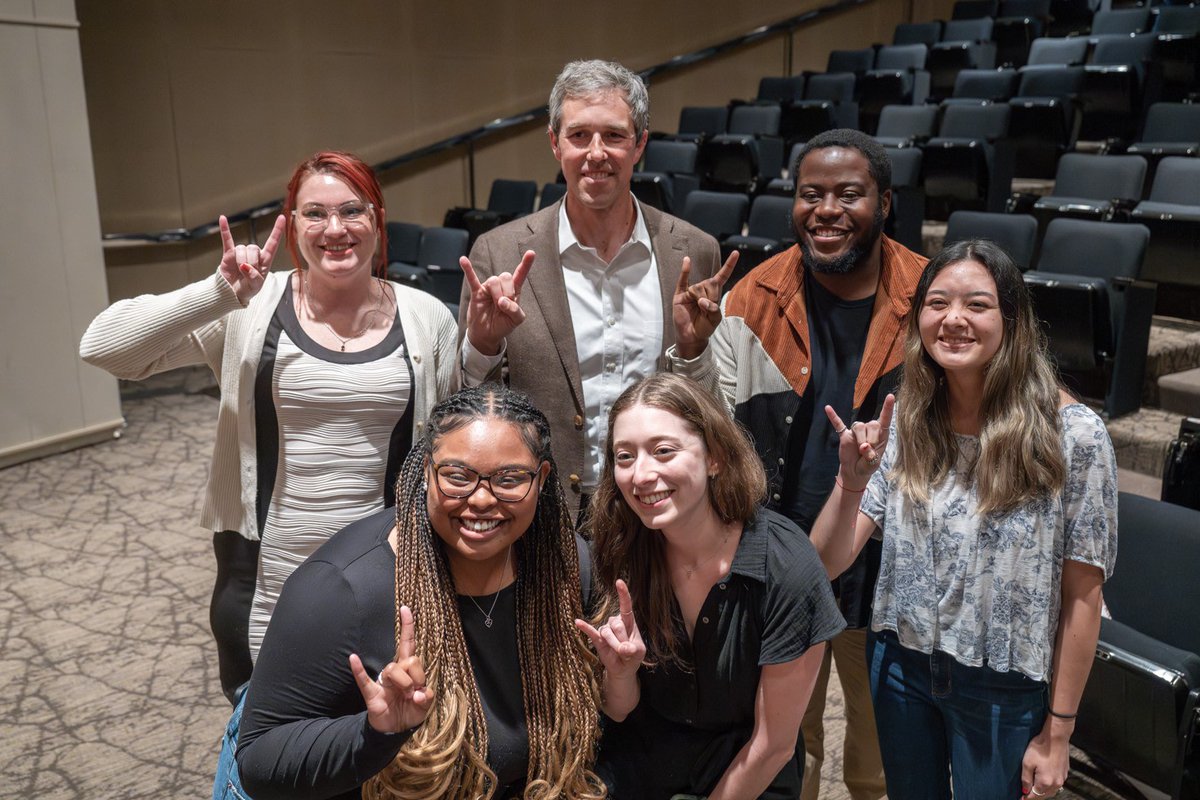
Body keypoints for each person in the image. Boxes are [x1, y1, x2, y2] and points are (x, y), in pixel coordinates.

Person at [78, 152, 458, 796]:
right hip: (266, 578)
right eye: (315, 213)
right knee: (273, 748)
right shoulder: (250, 306)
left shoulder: (425, 316)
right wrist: (218, 291)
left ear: (378, 220)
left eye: (351, 210)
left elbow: (454, 432)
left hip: (387, 577)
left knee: (382, 745)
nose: (334, 227)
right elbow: (103, 347)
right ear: (292, 223)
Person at [670, 128, 926, 800]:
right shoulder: (754, 296)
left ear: (886, 202)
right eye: (811, 194)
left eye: (850, 194)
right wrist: (694, 352)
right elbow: (710, 433)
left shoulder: (929, 295)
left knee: (878, 765)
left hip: (889, 566)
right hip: (781, 568)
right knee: (786, 753)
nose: (827, 209)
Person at [810, 239, 1116, 800]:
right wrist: (850, 483)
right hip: (898, 663)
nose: (953, 320)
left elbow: (1083, 595)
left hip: (1001, 683)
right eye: (938, 303)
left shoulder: (1074, 435)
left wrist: (1059, 733)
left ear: (1011, 320)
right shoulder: (905, 419)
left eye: (977, 305)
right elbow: (828, 561)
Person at [235, 386, 606, 800]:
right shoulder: (343, 588)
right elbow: (257, 760)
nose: (481, 499)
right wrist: (374, 733)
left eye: (510, 479)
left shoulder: (565, 564)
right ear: (426, 470)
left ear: (542, 479)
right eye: (457, 476)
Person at [457, 59, 735, 520]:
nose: (596, 152)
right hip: (539, 517)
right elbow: (468, 409)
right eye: (579, 135)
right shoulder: (498, 252)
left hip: (655, 513)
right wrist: (483, 345)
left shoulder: (692, 252)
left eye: (614, 135)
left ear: (640, 144)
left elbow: (706, 411)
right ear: (554, 143)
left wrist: (692, 349)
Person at [582, 372, 845, 798]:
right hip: (643, 768)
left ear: (715, 457)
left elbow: (773, 745)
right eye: (624, 457)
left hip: (748, 775)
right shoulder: (617, 550)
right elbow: (619, 710)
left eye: (663, 451)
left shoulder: (786, 566)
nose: (641, 474)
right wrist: (621, 674)